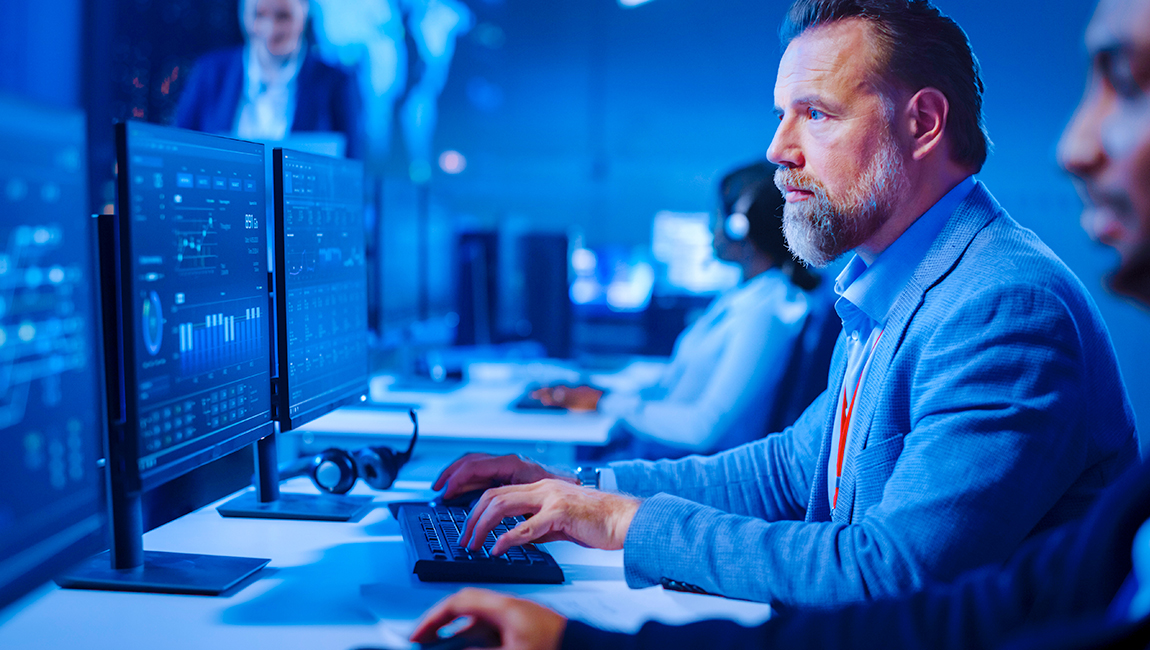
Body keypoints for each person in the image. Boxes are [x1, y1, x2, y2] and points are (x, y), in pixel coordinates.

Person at [410, 0, 1150, 646]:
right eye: (782, 114)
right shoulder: (891, 286)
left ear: (922, 122)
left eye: (816, 114)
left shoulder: (1003, 303)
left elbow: (892, 575)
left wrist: (626, 523)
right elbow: (783, 472)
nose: (777, 150)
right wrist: (574, 487)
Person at [535, 162, 835, 460]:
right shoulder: (745, 297)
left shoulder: (765, 314)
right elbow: (673, 388)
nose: (710, 225)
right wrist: (605, 393)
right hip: (662, 453)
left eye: (717, 214)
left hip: (687, 467)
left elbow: (703, 428)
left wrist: (606, 402)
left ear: (740, 226)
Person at [175, 0, 363, 158]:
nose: (270, 27)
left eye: (283, 16)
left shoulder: (336, 82)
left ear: (304, 12)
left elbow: (353, 170)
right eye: (259, 14)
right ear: (243, 14)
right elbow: (179, 148)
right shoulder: (210, 72)